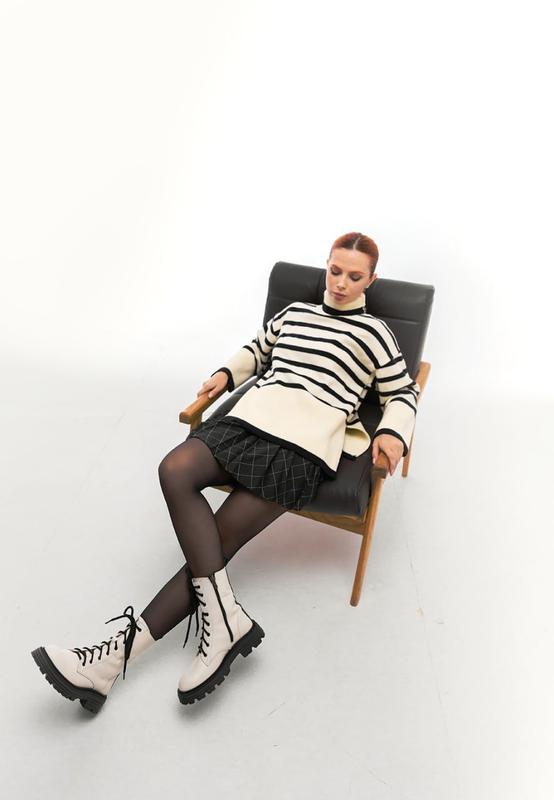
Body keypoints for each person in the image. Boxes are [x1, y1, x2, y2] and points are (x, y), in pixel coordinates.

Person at [31, 231, 420, 712]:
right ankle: (225, 618)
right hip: (250, 417)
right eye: (335, 270)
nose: (340, 283)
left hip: (302, 442)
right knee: (174, 468)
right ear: (327, 265)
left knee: (214, 544)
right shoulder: (296, 313)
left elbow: (402, 393)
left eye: (354, 277)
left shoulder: (375, 333)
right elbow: (257, 351)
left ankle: (107, 663)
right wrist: (225, 373)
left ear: (371, 280)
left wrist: (392, 433)